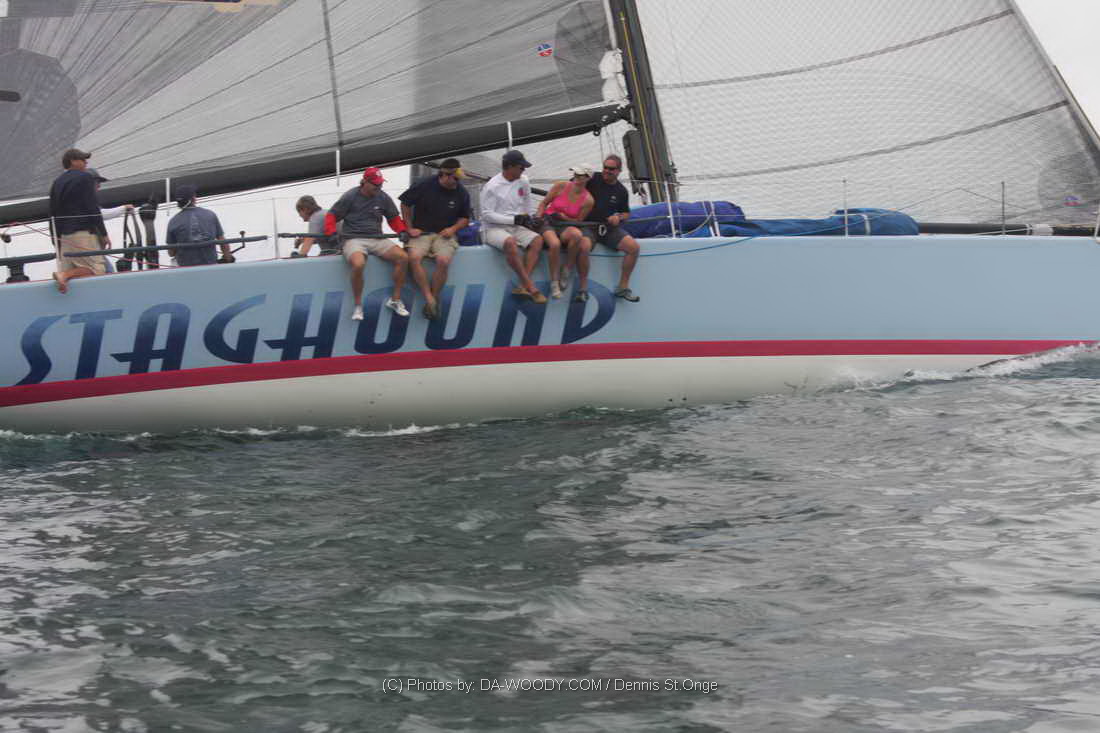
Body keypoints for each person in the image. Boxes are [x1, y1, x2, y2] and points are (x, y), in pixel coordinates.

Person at [324, 167, 411, 321]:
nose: (379, 187)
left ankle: (395, 300)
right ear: (365, 182)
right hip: (353, 238)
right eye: (375, 184)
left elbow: (393, 219)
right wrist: (330, 232)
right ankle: (358, 305)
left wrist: (402, 230)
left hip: (377, 238)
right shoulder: (350, 196)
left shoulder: (383, 197)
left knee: (403, 258)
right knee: (358, 264)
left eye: (380, 184)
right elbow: (332, 215)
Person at [398, 158, 472, 319]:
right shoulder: (424, 185)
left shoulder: (461, 192)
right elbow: (405, 203)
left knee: (443, 261)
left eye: (459, 179)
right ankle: (429, 298)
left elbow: (465, 218)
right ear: (444, 175)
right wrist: (409, 227)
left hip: (444, 234)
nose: (457, 182)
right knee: (414, 257)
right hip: (422, 233)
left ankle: (434, 298)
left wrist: (453, 229)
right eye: (455, 178)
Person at [480, 150, 547, 304]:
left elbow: (527, 203)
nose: (524, 170)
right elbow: (487, 215)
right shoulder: (492, 186)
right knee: (510, 242)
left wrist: (529, 219)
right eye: (521, 167)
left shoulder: (523, 180)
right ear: (509, 167)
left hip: (516, 225)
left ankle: (522, 286)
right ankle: (530, 286)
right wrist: (514, 219)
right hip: (493, 228)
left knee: (537, 240)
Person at [48, 148, 107, 293]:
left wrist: (56, 240)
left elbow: (52, 214)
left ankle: (65, 276)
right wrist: (104, 234)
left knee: (73, 280)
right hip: (82, 234)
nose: (86, 162)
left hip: (64, 237)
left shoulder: (57, 182)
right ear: (73, 161)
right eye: (83, 159)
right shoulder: (85, 177)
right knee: (97, 270)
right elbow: (92, 207)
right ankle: (64, 275)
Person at [585, 153, 641, 302]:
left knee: (633, 248)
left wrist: (618, 217)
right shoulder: (592, 178)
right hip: (586, 226)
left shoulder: (621, 191)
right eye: (605, 167)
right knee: (582, 246)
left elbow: (626, 213)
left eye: (611, 169)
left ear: (619, 171)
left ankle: (623, 287)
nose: (607, 171)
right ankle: (580, 288)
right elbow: (571, 187)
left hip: (606, 228)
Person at [535, 164, 595, 302]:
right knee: (555, 244)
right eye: (575, 174)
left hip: (565, 225)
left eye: (580, 175)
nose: (576, 177)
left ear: (587, 178)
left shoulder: (588, 200)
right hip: (548, 221)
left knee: (577, 235)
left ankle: (567, 269)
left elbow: (578, 221)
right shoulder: (560, 186)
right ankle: (554, 282)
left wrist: (564, 217)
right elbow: (543, 203)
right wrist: (538, 217)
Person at [165, 184, 234, 267]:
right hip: (210, 266)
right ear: (194, 199)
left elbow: (171, 253)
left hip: (186, 268)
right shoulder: (210, 215)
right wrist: (228, 258)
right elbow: (223, 242)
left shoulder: (173, 221)